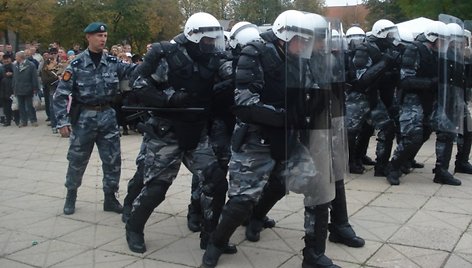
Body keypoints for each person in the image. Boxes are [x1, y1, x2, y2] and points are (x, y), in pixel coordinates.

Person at [202, 10, 339, 268]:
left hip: (288, 138)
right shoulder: (255, 53)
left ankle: (314, 254)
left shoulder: (302, 58)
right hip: (256, 140)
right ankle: (216, 242)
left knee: (319, 191)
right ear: (284, 36)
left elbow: (309, 94)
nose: (305, 45)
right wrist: (287, 116)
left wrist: (323, 95)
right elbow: (244, 103)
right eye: (301, 39)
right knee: (242, 201)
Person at [124, 12, 233, 255]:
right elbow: (139, 83)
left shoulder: (213, 57)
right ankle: (134, 227)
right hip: (167, 131)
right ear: (194, 38)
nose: (212, 44)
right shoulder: (167, 55)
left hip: (197, 131)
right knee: (156, 188)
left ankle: (211, 236)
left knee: (215, 182)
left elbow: (232, 72)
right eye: (208, 40)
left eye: (214, 40)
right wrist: (168, 98)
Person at [53, 22, 135, 215]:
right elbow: (60, 95)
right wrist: (62, 122)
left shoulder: (113, 62)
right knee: (77, 159)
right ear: (88, 38)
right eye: (99, 36)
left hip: (107, 115)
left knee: (112, 159)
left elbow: (133, 71)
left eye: (105, 36)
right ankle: (71, 195)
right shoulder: (76, 64)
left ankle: (110, 198)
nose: (103, 39)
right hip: (84, 118)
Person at [350, 19, 403, 177]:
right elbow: (362, 79)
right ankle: (350, 161)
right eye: (390, 34)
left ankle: (381, 166)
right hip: (357, 97)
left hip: (373, 96)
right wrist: (385, 62)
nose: (393, 37)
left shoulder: (384, 49)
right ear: (382, 34)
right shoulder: (364, 49)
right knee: (350, 132)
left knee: (387, 128)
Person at [12, 51, 39, 127]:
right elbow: (14, 78)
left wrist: (35, 88)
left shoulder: (30, 65)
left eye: (16, 56)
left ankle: (33, 120)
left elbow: (34, 77)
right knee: (21, 106)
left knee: (30, 105)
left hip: (28, 88)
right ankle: (24, 121)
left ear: (20, 57)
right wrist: (13, 87)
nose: (15, 58)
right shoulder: (15, 65)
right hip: (18, 88)